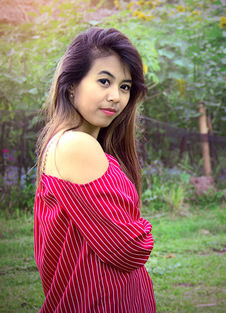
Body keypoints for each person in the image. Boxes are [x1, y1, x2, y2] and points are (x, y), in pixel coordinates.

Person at [34, 27, 156, 313]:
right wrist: (145, 230)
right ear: (72, 84)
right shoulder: (76, 145)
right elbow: (129, 247)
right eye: (104, 81)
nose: (116, 96)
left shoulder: (73, 143)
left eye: (125, 86)